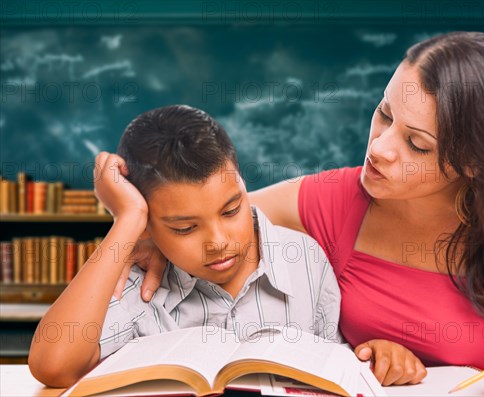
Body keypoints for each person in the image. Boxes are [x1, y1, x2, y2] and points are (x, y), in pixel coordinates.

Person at [127, 32, 484, 395]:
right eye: (385, 113)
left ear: (473, 163)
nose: (380, 147)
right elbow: (210, 214)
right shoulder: (338, 199)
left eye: (416, 144)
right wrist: (147, 231)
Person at [28, 105, 348, 388]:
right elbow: (53, 365)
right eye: (185, 228)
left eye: (231, 210)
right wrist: (127, 218)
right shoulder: (141, 281)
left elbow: (335, 370)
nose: (219, 243)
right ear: (149, 227)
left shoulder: (304, 260)